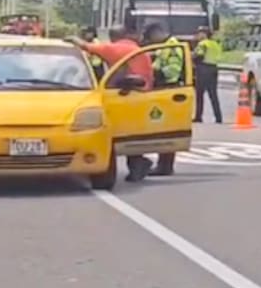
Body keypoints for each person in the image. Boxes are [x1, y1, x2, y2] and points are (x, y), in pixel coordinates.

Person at [68, 26, 155, 182]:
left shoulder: (117, 48)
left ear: (113, 37)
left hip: (131, 92)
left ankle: (136, 163)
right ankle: (138, 163)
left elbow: (86, 46)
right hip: (141, 92)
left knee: (116, 131)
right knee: (130, 133)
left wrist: (72, 39)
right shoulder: (135, 48)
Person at [142, 22, 183, 176]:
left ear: (156, 33)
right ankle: (163, 164)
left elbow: (174, 69)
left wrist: (157, 74)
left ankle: (165, 166)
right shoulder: (164, 46)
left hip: (169, 88)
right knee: (163, 128)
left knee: (166, 129)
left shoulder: (171, 46)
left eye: (151, 38)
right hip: (164, 89)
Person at [192, 24, 223, 123]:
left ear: (204, 34)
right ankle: (218, 117)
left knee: (199, 94)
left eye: (200, 33)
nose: (198, 35)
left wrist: (193, 58)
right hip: (214, 69)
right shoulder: (215, 44)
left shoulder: (203, 44)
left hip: (203, 69)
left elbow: (199, 55)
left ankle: (198, 116)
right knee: (213, 94)